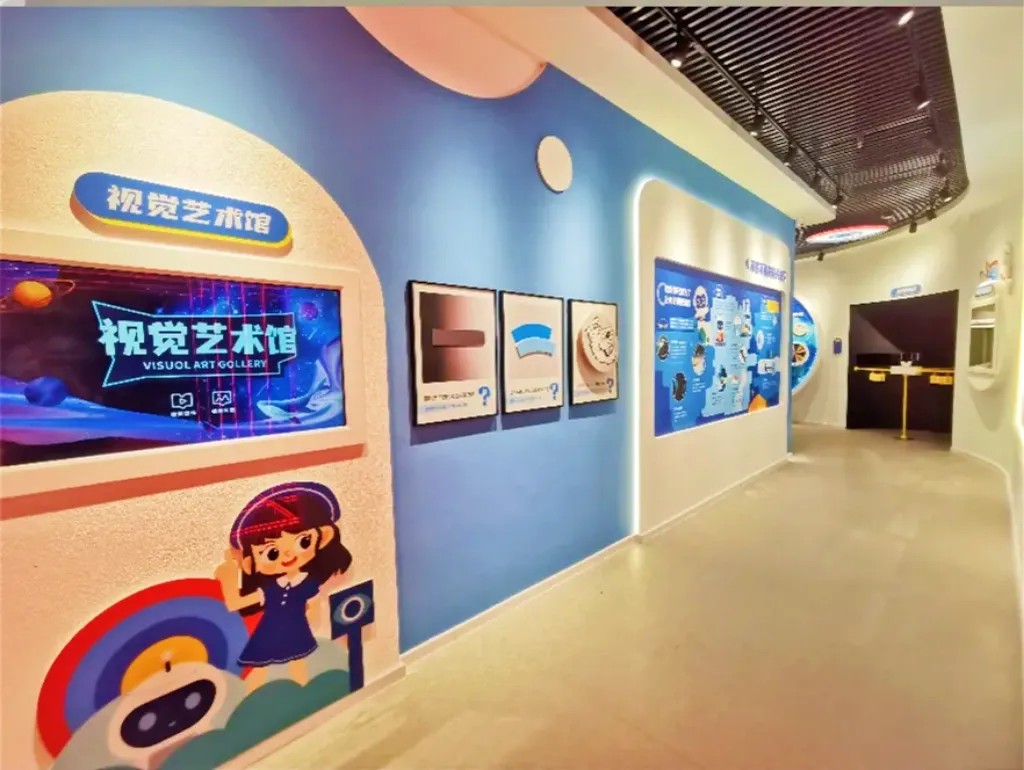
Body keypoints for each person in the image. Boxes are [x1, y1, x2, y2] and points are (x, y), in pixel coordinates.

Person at [215, 482, 352, 691]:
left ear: (323, 537)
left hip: (296, 631)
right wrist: (229, 577)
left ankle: (303, 692)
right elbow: (235, 603)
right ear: (251, 562)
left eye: (303, 541)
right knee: (261, 669)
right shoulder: (270, 589)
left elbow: (313, 606)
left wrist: (310, 618)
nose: (288, 555)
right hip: (269, 633)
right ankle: (254, 698)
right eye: (272, 553)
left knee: (298, 664)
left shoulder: (307, 583)